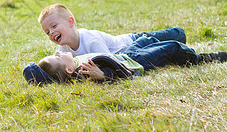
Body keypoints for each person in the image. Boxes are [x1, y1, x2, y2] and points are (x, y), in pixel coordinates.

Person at [23, 36, 227, 85]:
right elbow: (112, 74)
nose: (59, 52)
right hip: (135, 61)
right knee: (172, 46)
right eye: (57, 57)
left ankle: (159, 49)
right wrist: (103, 76)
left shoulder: (75, 62)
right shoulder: (84, 70)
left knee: (146, 39)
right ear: (68, 71)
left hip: (126, 53)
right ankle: (199, 59)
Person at [39, 3, 187, 57]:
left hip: (133, 41)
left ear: (71, 22)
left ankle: (179, 33)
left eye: (54, 26)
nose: (51, 33)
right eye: (47, 32)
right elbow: (56, 65)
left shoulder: (90, 40)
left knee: (174, 36)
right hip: (133, 50)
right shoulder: (63, 48)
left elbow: (111, 60)